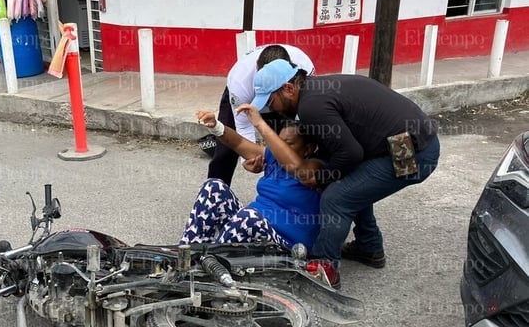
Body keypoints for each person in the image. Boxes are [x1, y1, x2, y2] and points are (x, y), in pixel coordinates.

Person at [236, 59, 441, 286]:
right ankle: (369, 247)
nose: (271, 109)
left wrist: (321, 179)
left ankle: (324, 269)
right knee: (353, 184)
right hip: (409, 141)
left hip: (413, 153)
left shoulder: (311, 106)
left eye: (271, 101)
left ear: (288, 89)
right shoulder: (316, 92)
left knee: (337, 198)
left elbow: (351, 154)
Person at [182, 112, 323, 250]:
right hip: (251, 226)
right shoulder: (275, 158)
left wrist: (259, 123)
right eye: (279, 143)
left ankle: (209, 261)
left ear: (308, 149)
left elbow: (304, 172)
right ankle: (189, 253)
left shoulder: (315, 167)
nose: (281, 149)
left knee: (249, 217)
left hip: (285, 243)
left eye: (289, 144)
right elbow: (239, 143)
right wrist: (216, 126)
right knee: (213, 187)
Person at [207, 44, 316, 186]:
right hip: (249, 99)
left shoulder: (303, 67)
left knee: (290, 146)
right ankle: (215, 196)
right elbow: (243, 126)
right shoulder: (240, 82)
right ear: (257, 67)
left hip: (286, 100)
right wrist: (248, 159)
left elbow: (303, 117)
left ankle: (288, 194)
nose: (269, 106)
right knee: (225, 152)